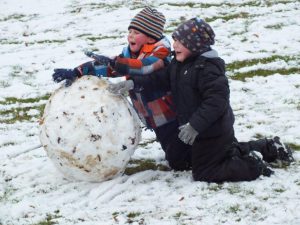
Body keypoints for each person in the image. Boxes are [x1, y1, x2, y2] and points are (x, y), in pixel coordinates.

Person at [109, 18, 294, 182]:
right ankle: (265, 148)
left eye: (180, 42)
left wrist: (195, 126)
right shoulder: (179, 64)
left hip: (211, 132)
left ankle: (253, 165)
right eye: (174, 40)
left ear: (195, 45)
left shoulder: (209, 69)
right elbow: (160, 78)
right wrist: (133, 83)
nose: (174, 45)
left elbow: (216, 103)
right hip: (193, 131)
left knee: (205, 172)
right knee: (178, 161)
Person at [51, 7, 178, 153]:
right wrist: (77, 71)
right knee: (170, 149)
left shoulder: (161, 53)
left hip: (169, 113)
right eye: (130, 31)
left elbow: (144, 67)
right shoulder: (130, 53)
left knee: (178, 156)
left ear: (150, 38)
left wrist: (115, 63)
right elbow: (110, 68)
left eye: (136, 33)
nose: (130, 35)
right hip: (151, 114)